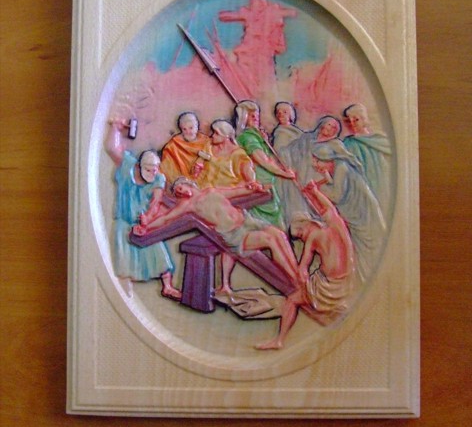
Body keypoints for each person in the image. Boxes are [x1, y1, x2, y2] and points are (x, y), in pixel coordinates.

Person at [133, 177, 302, 295]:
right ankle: (295, 280)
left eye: (181, 187)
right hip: (234, 233)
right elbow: (166, 218)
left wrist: (253, 187)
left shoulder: (211, 191)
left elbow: (236, 191)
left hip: (247, 220)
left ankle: (298, 273)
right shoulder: (188, 206)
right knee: (270, 240)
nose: (181, 192)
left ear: (188, 183)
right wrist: (146, 226)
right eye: (178, 192)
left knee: (279, 234)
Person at [256, 184, 356, 350]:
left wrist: (300, 279)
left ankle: (279, 340)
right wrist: (314, 191)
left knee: (292, 299)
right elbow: (328, 208)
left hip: (327, 287)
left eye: (301, 234)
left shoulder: (313, 237)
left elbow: (302, 270)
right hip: (345, 283)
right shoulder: (337, 225)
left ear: (308, 224)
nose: (302, 239)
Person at [105, 119, 181, 299]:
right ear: (139, 166)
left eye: (154, 170)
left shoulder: (158, 179)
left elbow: (156, 202)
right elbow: (112, 149)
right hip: (125, 222)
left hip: (144, 223)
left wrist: (147, 218)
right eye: (148, 169)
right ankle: (124, 291)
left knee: (159, 253)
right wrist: (115, 129)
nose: (152, 173)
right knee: (124, 258)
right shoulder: (127, 167)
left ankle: (167, 286)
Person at [309, 139, 386, 282]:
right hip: (356, 216)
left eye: (318, 161)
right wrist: (326, 179)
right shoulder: (337, 167)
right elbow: (339, 187)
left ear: (329, 160)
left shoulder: (342, 168)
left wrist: (318, 190)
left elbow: (336, 196)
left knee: (366, 250)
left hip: (363, 216)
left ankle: (370, 278)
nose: (315, 165)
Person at [235, 100, 296, 228]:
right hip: (260, 186)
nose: (255, 118)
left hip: (268, 184)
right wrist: (284, 173)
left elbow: (269, 157)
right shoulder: (248, 137)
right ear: (243, 118)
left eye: (256, 115)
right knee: (269, 225)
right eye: (251, 115)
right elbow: (263, 160)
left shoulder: (256, 136)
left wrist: (265, 140)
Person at [278, 115, 343, 225]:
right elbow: (291, 150)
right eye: (328, 124)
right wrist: (283, 154)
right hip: (301, 174)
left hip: (319, 179)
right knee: (299, 200)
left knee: (317, 204)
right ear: (322, 124)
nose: (329, 128)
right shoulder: (307, 138)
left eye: (333, 127)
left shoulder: (335, 144)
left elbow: (339, 162)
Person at [342, 103, 392, 218]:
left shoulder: (380, 140)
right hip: (358, 186)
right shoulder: (348, 143)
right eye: (349, 121)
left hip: (379, 181)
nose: (352, 123)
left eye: (356, 119)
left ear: (364, 119)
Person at [194, 119, 256, 189]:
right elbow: (199, 162)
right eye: (213, 132)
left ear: (226, 136)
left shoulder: (238, 154)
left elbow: (249, 176)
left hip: (224, 190)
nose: (213, 135)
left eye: (217, 133)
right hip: (201, 187)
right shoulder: (209, 145)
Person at [159, 111, 209, 185]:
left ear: (197, 127)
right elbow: (167, 169)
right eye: (184, 129)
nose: (188, 132)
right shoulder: (173, 145)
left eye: (191, 128)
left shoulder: (206, 141)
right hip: (181, 184)